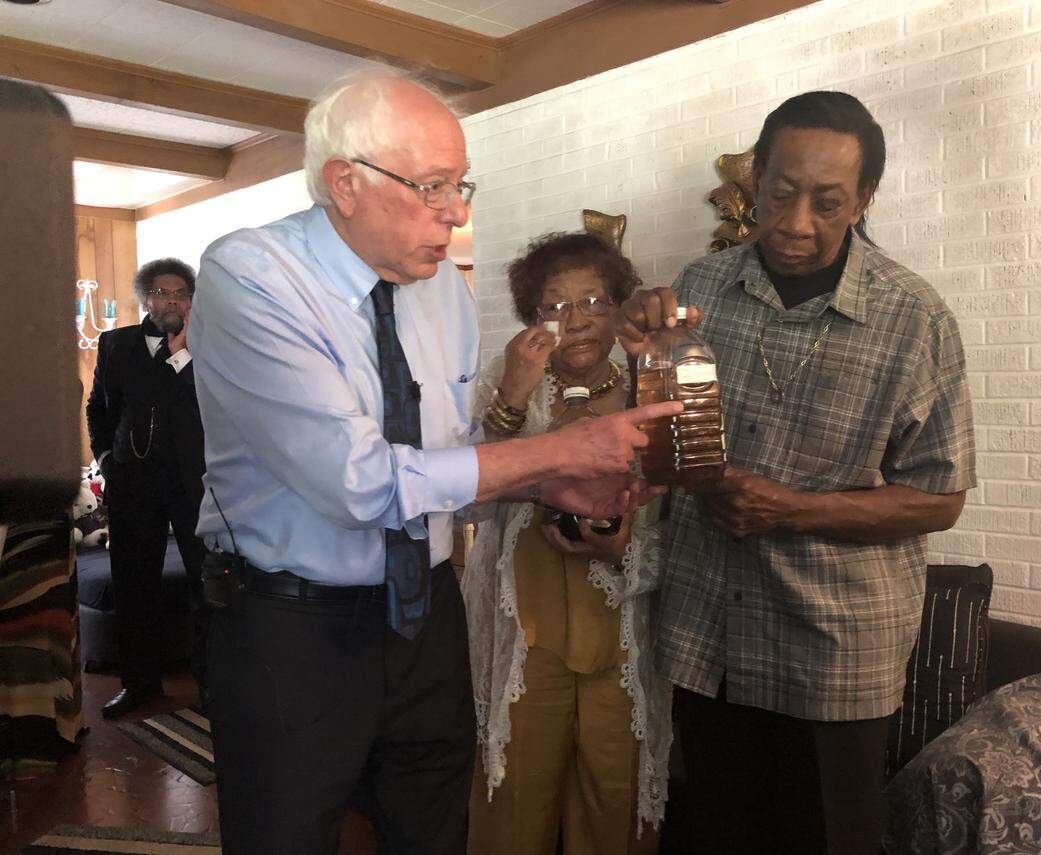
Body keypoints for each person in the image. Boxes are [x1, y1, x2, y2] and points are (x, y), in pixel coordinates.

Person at [188, 71, 679, 855]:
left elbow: (450, 476)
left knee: (435, 831)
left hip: (426, 615)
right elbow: (359, 484)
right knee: (287, 833)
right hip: (295, 627)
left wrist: (547, 484)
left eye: (461, 185)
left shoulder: (441, 289)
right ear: (345, 183)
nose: (457, 212)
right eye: (433, 187)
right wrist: (560, 448)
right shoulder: (251, 277)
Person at [617, 91, 976, 855]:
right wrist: (644, 365)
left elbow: (941, 497)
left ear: (865, 198)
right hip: (707, 635)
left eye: (827, 201)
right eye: (780, 194)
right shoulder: (703, 286)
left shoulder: (913, 317)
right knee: (713, 835)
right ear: (756, 179)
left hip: (831, 652)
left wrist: (792, 509)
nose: (796, 223)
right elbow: (663, 445)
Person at [465, 232, 671, 855]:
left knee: (613, 793)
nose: (576, 321)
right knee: (516, 793)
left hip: (621, 629)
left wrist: (622, 551)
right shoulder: (510, 380)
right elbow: (467, 501)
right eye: (555, 306)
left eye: (594, 302)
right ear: (534, 318)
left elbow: (678, 519)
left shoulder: (648, 385)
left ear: (620, 308)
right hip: (528, 630)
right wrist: (512, 396)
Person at [86, 258, 208, 719]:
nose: (171, 300)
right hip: (132, 483)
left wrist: (183, 354)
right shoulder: (115, 344)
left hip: (192, 486)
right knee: (134, 586)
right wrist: (104, 459)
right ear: (145, 298)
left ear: (191, 301)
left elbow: (209, 401)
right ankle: (138, 684)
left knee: (205, 583)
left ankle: (212, 686)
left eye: (180, 293)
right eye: (161, 292)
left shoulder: (206, 346)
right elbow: (97, 408)